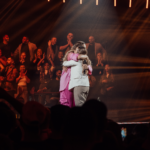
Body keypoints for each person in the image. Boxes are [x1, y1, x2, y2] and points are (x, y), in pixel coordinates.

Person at [60, 41, 92, 107]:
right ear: (76, 48)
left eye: (84, 48)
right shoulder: (70, 54)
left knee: (76, 105)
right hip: (67, 83)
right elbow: (76, 57)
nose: (83, 49)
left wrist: (88, 66)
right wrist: (86, 57)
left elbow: (90, 68)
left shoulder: (83, 58)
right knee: (67, 104)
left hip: (76, 83)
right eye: (82, 47)